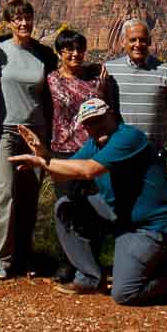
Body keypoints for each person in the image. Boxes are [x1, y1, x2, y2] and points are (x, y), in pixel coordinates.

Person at [10, 99, 167, 305]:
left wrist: (44, 162)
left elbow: (88, 170)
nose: (95, 126)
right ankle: (90, 278)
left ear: (112, 115)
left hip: (149, 223)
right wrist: (43, 154)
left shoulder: (127, 137)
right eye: (89, 123)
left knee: (125, 293)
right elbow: (64, 173)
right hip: (120, 215)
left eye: (99, 119)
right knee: (66, 206)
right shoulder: (95, 144)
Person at [0, 0, 58, 280]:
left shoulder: (44, 55)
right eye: (17, 18)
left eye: (28, 17)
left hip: (36, 132)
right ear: (8, 23)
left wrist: (94, 70)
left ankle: (23, 257)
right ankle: (0, 258)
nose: (24, 23)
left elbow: (60, 78)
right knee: (5, 193)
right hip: (5, 130)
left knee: (29, 196)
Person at [46, 27, 108, 284]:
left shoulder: (96, 80)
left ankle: (91, 263)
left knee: (91, 208)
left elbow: (106, 110)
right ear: (60, 52)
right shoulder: (50, 79)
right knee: (66, 207)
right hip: (62, 150)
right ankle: (66, 262)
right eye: (69, 49)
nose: (75, 54)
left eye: (79, 49)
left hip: (92, 150)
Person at [100, 17, 167, 163]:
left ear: (149, 42)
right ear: (123, 42)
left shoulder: (166, 70)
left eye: (142, 40)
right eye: (132, 40)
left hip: (155, 155)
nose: (138, 45)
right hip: (120, 153)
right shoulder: (109, 70)